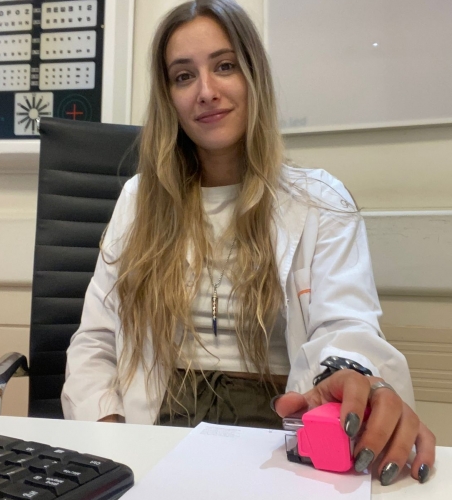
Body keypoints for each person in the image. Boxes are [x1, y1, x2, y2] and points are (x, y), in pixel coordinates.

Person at [61, 0, 435, 487]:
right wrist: (114, 446)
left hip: (277, 427)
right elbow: (95, 342)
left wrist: (354, 375)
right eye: (183, 76)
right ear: (168, 96)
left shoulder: (321, 200)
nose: (206, 92)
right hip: (156, 424)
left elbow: (347, 327)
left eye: (224, 66)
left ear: (254, 75)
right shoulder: (137, 200)